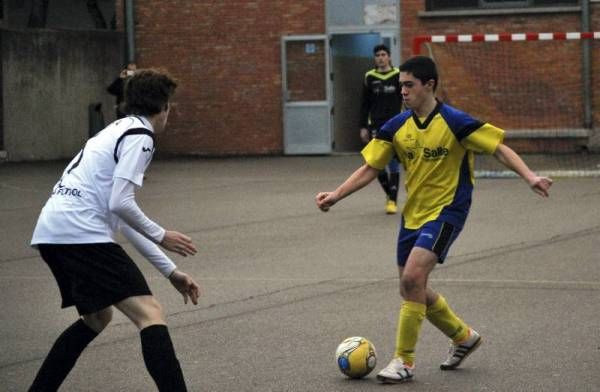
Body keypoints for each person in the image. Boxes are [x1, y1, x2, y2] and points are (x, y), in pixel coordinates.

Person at [316, 56, 553, 384]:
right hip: (413, 215)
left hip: (448, 211)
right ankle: (463, 337)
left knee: (413, 278)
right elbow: (371, 167)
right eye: (401, 85)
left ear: (429, 85)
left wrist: (530, 177)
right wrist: (336, 194)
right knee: (410, 287)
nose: (403, 91)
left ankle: (404, 362)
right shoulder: (396, 127)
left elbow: (498, 148)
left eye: (409, 85)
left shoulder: (455, 122)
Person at [30, 69, 200, 392]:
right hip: (79, 232)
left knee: (97, 317)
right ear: (163, 107)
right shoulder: (141, 136)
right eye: (170, 105)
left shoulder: (117, 129)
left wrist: (170, 271)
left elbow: (118, 214)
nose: (170, 113)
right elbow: (121, 203)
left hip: (54, 231)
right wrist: (163, 234)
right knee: (150, 312)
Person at [359, 44, 402, 214]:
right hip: (376, 125)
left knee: (393, 164)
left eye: (384, 54)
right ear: (375, 58)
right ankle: (389, 194)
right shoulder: (369, 77)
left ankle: (392, 200)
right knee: (376, 164)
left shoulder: (398, 75)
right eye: (378, 55)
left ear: (389, 57)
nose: (381, 57)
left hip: (395, 125)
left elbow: (406, 100)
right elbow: (364, 104)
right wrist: (363, 126)